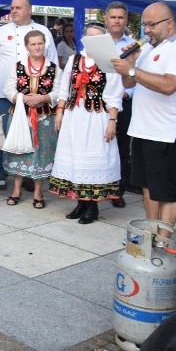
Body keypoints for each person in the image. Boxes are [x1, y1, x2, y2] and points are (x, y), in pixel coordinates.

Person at [111, 2, 176, 238]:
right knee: (148, 187)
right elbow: (129, 83)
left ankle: (164, 241)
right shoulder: (148, 48)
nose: (146, 30)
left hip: (167, 132)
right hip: (142, 130)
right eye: (144, 25)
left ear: (169, 23)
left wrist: (131, 70)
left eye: (151, 24)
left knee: (167, 192)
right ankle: (151, 235)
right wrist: (132, 63)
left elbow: (169, 85)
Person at [50, 23, 122, 224]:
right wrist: (59, 112)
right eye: (89, 37)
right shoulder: (74, 59)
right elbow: (64, 88)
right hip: (75, 116)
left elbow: (114, 96)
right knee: (75, 158)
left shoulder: (110, 62)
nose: (93, 42)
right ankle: (81, 202)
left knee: (94, 157)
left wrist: (112, 121)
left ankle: (93, 206)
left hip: (97, 116)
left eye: (97, 38)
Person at [0, 0, 57, 191]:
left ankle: (27, 174)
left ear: (29, 10)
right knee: (3, 133)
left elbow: (53, 63)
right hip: (3, 93)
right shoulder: (2, 31)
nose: (13, 11)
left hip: (34, 96)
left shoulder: (42, 31)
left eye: (18, 8)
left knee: (31, 135)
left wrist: (47, 96)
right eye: (12, 8)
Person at [3, 30, 60, 208]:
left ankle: (37, 192)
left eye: (40, 43)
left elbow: (59, 92)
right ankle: (17, 189)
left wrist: (44, 98)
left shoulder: (54, 68)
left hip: (44, 119)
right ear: (27, 46)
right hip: (20, 117)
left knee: (41, 153)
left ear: (45, 45)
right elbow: (8, 89)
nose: (37, 47)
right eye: (33, 44)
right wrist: (23, 98)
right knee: (20, 151)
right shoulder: (17, 66)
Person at [104, 2, 136, 208]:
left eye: (120, 17)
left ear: (126, 20)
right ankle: (97, 186)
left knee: (121, 147)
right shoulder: (95, 42)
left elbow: (139, 73)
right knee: (98, 146)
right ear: (106, 19)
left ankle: (118, 191)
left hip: (123, 103)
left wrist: (125, 92)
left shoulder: (134, 46)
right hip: (96, 105)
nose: (116, 21)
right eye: (113, 17)